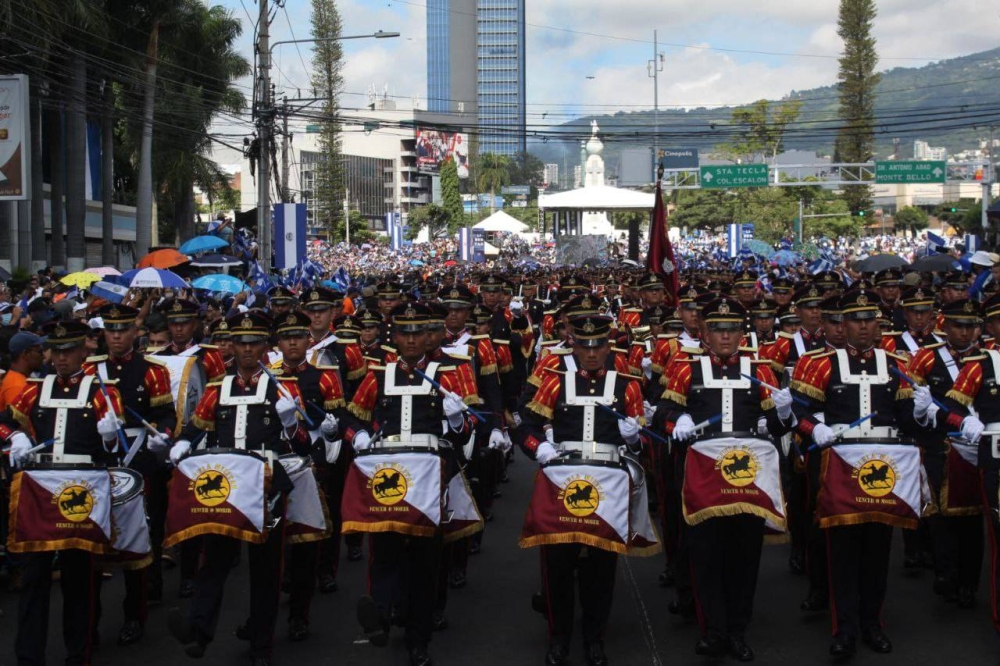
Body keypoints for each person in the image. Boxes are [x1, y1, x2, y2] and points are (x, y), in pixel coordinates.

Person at [166, 310, 309, 666]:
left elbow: (304, 443)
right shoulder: (218, 386)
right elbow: (198, 425)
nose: (246, 350)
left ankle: (262, 643)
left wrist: (291, 423)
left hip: (267, 485)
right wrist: (183, 442)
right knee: (214, 558)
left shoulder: (283, 387)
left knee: (265, 567)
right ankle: (199, 629)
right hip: (227, 483)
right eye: (241, 343)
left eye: (254, 343)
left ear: (265, 346)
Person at [655, 298, 795, 661]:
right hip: (702, 477)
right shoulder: (687, 368)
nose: (726, 336)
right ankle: (713, 630)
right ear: (705, 333)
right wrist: (677, 420)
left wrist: (783, 412)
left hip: (747, 477)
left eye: (732, 329)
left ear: (741, 332)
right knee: (705, 554)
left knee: (744, 555)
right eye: (718, 329)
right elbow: (662, 412)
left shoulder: (760, 369)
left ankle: (738, 629)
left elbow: (777, 425)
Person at [342, 303, 480, 666]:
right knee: (383, 548)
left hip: (431, 474)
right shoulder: (378, 374)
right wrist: (356, 436)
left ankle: (419, 639)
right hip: (388, 474)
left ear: (429, 335)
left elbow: (468, 431)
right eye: (405, 332)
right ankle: (382, 615)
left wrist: (456, 420)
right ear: (395, 336)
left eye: (419, 332)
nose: (412, 339)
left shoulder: (453, 372)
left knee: (424, 560)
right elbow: (351, 417)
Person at [789, 289, 922, 658]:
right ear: (842, 324)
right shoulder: (818, 364)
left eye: (869, 320)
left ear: (877, 324)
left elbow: (908, 420)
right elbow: (798, 413)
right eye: (855, 320)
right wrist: (814, 428)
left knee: (878, 550)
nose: (863, 327)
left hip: (883, 467)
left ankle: (872, 623)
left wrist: (922, 411)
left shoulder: (896, 363)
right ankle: (844, 627)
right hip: (838, 467)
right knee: (842, 552)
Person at [518, 313, 647, 666]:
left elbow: (643, 442)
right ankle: (558, 638)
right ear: (573, 345)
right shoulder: (555, 382)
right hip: (561, 480)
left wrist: (635, 440)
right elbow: (526, 425)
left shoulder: (628, 386)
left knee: (601, 568)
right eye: (584, 345)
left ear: (610, 346)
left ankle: (595, 639)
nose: (592, 353)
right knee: (557, 564)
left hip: (607, 484)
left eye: (599, 345)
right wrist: (538, 448)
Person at [0, 320, 125, 666]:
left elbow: (114, 450)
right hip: (39, 488)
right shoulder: (35, 388)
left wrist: (110, 437)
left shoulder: (103, 390)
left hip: (81, 488)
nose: (61, 358)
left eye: (68, 350)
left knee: (79, 577)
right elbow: (4, 420)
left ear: (83, 351)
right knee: (34, 577)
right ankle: (28, 656)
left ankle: (78, 653)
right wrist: (14, 436)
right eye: (56, 351)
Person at [84, 304, 176, 645]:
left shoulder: (151, 370)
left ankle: (136, 610)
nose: (117, 336)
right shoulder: (89, 370)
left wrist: (162, 436)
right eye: (111, 330)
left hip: (140, 458)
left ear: (135, 333)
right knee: (95, 535)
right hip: (100, 459)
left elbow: (165, 412)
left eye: (123, 329)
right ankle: (89, 621)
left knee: (141, 534)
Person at [269, 311, 347, 635]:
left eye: (298, 336)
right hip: (273, 460)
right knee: (270, 541)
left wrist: (331, 430)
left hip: (310, 460)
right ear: (278, 342)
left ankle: (300, 612)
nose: (292, 343)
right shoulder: (265, 377)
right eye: (286, 337)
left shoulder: (324, 376)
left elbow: (339, 419)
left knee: (308, 537)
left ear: (307, 340)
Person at [0, 331, 45, 410]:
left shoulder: (15, 377)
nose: (44, 356)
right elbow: (16, 421)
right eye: (40, 352)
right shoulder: (17, 386)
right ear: (25, 354)